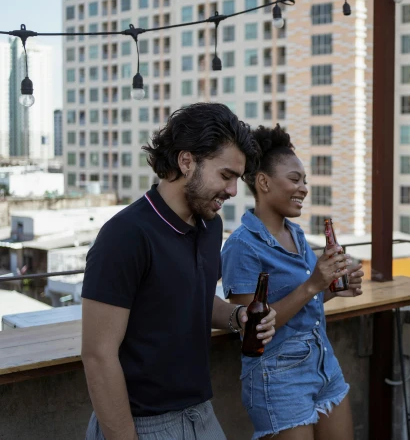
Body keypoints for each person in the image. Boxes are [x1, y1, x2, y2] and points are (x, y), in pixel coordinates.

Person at [81, 103, 277, 440]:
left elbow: (193, 296)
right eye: (226, 175)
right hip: (144, 423)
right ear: (186, 161)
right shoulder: (126, 235)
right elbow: (98, 355)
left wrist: (238, 316)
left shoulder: (209, 226)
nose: (233, 191)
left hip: (201, 414)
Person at [221, 124, 364, 440]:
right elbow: (252, 329)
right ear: (263, 182)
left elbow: (308, 302)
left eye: (306, 181)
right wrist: (314, 284)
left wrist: (336, 287)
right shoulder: (241, 246)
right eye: (295, 179)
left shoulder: (297, 235)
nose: (304, 188)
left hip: (323, 363)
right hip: (278, 377)